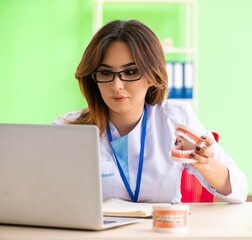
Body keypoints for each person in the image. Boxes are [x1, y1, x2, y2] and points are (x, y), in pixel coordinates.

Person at [54, 19, 248, 203]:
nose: (117, 85)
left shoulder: (175, 117)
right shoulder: (68, 129)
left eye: (130, 72)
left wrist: (206, 163)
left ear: (151, 76)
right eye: (105, 73)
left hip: (161, 231)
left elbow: (239, 191)